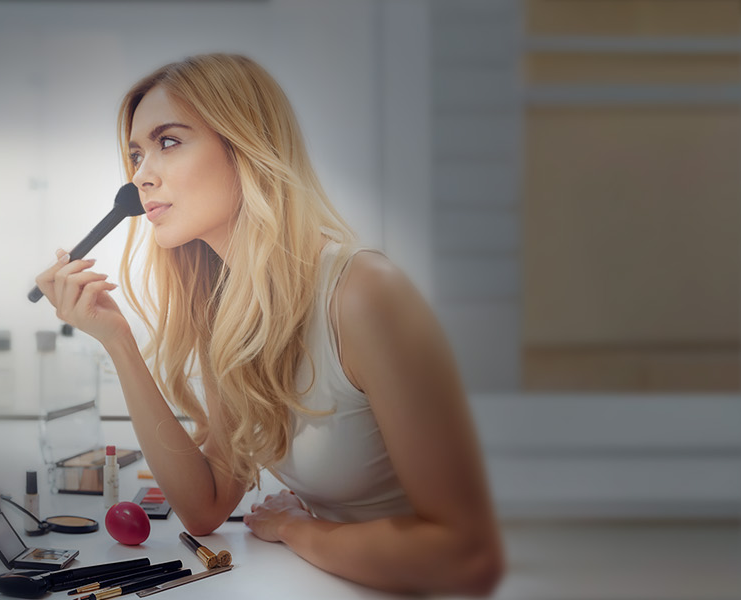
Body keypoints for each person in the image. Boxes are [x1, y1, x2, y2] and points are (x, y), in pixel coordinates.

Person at [34, 53, 504, 596]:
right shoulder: (231, 311)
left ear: (246, 146)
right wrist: (117, 341)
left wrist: (296, 529)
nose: (141, 175)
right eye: (137, 154)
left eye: (169, 141)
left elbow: (465, 555)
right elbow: (205, 506)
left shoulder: (364, 294)